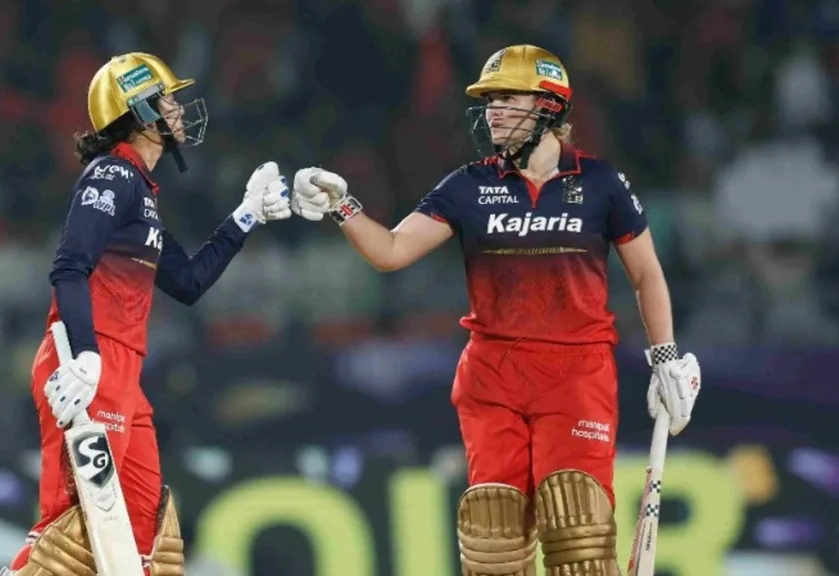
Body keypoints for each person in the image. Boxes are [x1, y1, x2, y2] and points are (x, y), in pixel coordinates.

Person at [290, 45, 702, 575]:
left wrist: (664, 357)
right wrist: (341, 205)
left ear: (548, 105)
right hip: (492, 376)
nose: (494, 112)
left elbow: (647, 274)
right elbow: (390, 252)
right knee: (494, 533)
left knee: (577, 523)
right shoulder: (469, 185)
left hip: (576, 374)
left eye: (508, 99)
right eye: (490, 101)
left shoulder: (600, 183)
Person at [0, 52, 293, 576]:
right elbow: (69, 266)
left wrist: (246, 216)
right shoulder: (112, 174)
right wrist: (85, 359)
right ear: (139, 112)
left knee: (145, 538)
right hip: (88, 363)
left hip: (122, 373)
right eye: (167, 99)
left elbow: (188, 282)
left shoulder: (141, 195)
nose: (178, 109)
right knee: (70, 534)